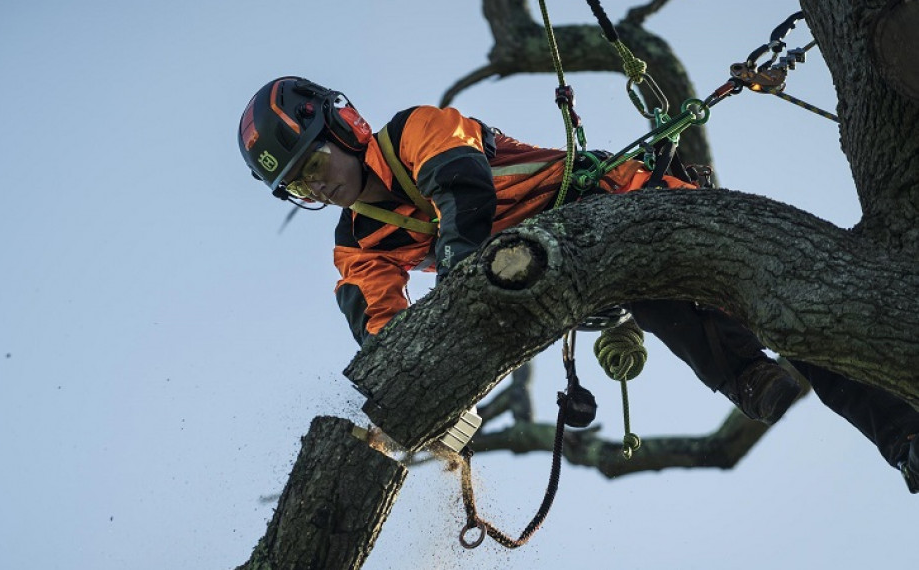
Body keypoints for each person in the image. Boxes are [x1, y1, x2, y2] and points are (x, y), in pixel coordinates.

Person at [237, 75, 919, 493]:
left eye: (313, 160)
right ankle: (752, 377)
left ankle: (895, 432)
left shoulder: (417, 128)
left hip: (620, 199)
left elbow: (461, 190)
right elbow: (380, 326)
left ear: (341, 127)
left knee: (786, 309)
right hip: (569, 268)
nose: (315, 182)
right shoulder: (356, 246)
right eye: (298, 182)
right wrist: (407, 391)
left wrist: (459, 277)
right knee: (660, 294)